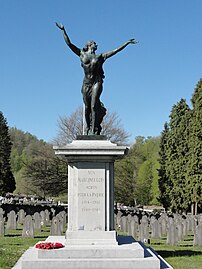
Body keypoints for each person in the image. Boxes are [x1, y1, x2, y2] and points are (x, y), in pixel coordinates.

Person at [56, 23, 138, 135]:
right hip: (86, 84)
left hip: (96, 83)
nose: (97, 45)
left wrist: (126, 43)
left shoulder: (100, 57)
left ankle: (93, 131)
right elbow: (69, 44)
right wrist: (63, 30)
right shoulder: (81, 54)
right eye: (94, 43)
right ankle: (88, 128)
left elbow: (115, 51)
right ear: (89, 45)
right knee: (87, 107)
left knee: (94, 106)